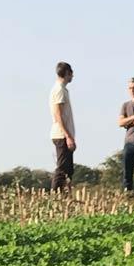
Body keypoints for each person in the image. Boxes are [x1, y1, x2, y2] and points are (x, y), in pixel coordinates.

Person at [50, 61, 76, 193]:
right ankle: (55, 197)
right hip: (61, 135)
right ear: (67, 73)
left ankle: (65, 196)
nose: (72, 76)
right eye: (71, 73)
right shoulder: (59, 90)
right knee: (62, 168)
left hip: (64, 134)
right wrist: (68, 136)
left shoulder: (62, 89)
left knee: (68, 169)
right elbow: (58, 114)